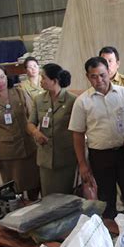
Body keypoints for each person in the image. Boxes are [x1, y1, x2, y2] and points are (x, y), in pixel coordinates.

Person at [69, 57, 124, 219]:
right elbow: (77, 135)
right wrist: (83, 165)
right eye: (94, 76)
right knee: (105, 198)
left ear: (109, 73)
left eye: (102, 75)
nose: (99, 80)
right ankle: (110, 235)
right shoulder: (82, 102)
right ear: (87, 77)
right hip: (100, 156)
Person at [0, 65, 40, 200]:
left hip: (29, 146)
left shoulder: (19, 93)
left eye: (2, 77)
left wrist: (38, 134)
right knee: (14, 188)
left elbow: (33, 116)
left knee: (34, 184)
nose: (0, 81)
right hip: (8, 153)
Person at [27, 63, 77, 196]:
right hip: (45, 157)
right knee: (48, 196)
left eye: (43, 78)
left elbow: (79, 129)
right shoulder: (39, 100)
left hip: (65, 158)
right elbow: (30, 123)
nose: (41, 81)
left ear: (54, 81)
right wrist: (36, 132)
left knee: (65, 197)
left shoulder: (72, 101)